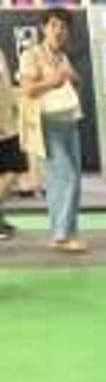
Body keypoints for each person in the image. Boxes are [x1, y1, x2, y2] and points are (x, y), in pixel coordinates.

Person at [17, 9, 88, 254]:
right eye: (54, 25)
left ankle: (65, 233)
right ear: (43, 28)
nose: (59, 31)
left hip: (68, 121)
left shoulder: (62, 57)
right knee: (66, 177)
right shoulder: (31, 55)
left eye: (64, 27)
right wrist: (53, 81)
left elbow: (72, 85)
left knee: (67, 180)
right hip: (45, 124)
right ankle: (61, 236)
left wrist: (74, 80)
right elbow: (27, 89)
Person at [0, 50, 25, 240]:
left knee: (8, 170)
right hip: (2, 125)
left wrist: (13, 107)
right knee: (15, 167)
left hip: (7, 121)